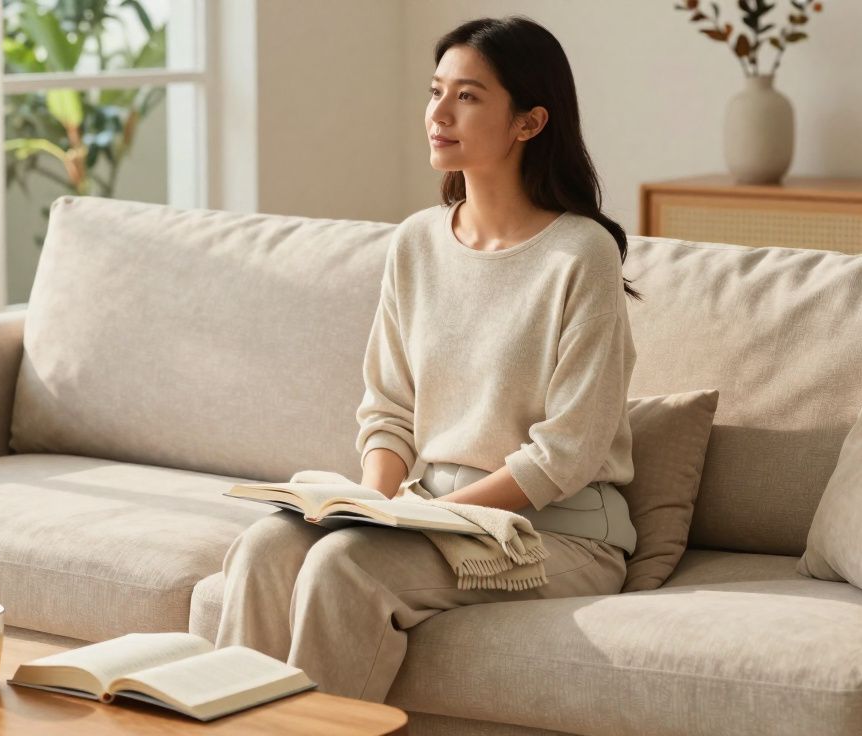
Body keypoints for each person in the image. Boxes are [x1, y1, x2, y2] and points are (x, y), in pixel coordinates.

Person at [215, 15, 644, 703]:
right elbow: (388, 411)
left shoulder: (580, 254)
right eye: (435, 91)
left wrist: (417, 525)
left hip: (555, 535)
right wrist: (373, 505)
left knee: (347, 568)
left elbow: (567, 452)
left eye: (468, 97)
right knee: (269, 547)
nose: (438, 114)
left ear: (529, 123)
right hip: (432, 514)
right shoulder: (417, 242)